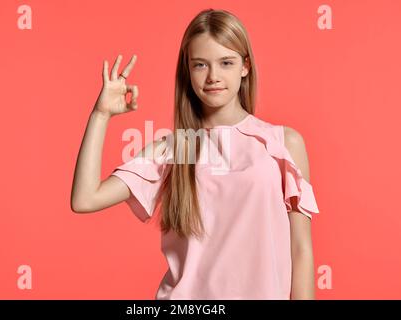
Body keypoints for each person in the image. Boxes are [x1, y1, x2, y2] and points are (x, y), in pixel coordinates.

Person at [71, 8, 320, 300]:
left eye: (226, 62)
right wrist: (100, 115)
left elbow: (300, 249)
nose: (214, 76)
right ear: (188, 71)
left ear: (245, 66)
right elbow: (85, 199)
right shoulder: (180, 149)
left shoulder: (281, 143)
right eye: (200, 65)